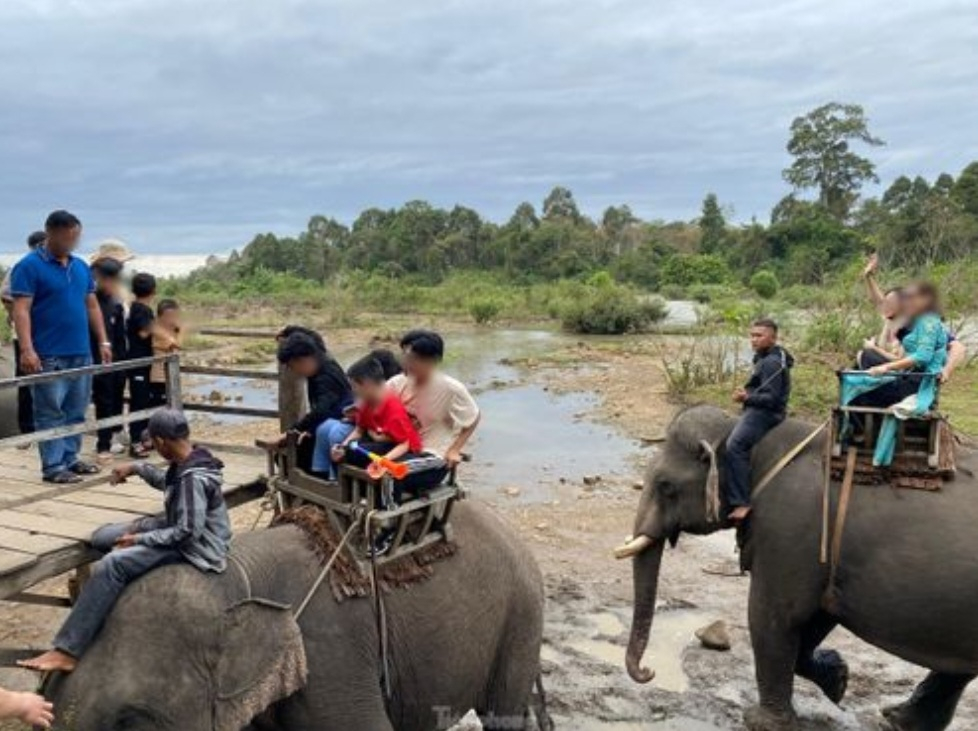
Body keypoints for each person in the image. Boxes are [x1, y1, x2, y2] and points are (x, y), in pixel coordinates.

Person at [18, 409, 231, 673]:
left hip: (195, 547)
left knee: (112, 564)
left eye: (153, 443)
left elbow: (187, 533)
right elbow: (168, 484)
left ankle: (67, 650)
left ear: (161, 442)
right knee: (103, 537)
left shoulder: (193, 479)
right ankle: (102, 600)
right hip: (174, 525)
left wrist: (141, 539)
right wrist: (137, 468)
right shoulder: (190, 459)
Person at [10, 211, 111, 483]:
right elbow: (21, 310)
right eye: (68, 237)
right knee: (50, 411)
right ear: (51, 233)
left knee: (76, 410)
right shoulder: (29, 266)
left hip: (80, 351)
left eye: (76, 237)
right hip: (48, 354)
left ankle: (70, 458)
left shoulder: (79, 267)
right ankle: (53, 466)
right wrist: (28, 350)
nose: (72, 242)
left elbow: (91, 305)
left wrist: (103, 339)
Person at [387, 330, 481, 490]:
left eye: (413, 358)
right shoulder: (398, 382)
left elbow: (474, 416)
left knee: (390, 471)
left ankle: (386, 510)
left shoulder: (451, 388)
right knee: (355, 455)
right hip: (402, 448)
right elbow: (375, 402)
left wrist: (454, 450)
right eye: (405, 356)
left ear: (434, 360)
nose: (407, 363)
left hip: (431, 455)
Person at [723, 319, 794, 523]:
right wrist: (749, 393)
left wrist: (746, 398)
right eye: (752, 335)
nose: (753, 339)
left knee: (734, 446)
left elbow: (771, 399)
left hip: (766, 412)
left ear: (773, 338)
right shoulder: (766, 357)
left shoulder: (771, 362)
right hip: (758, 406)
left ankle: (741, 502)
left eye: (759, 335)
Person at [330, 355, 423, 491]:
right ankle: (346, 491)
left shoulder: (393, 409)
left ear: (367, 384)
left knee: (353, 454)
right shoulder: (366, 403)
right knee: (342, 453)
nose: (353, 391)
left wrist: (383, 460)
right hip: (380, 443)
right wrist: (342, 446)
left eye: (354, 386)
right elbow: (359, 430)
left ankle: (359, 493)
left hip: (399, 448)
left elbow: (404, 444)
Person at [276, 332, 354, 470]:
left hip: (341, 424)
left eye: (293, 366)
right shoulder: (323, 363)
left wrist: (297, 429)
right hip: (329, 421)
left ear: (303, 360)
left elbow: (322, 410)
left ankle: (316, 485)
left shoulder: (326, 377)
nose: (296, 371)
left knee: (293, 454)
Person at [90, 243, 133, 462]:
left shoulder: (115, 302)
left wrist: (122, 362)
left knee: (115, 398)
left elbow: (118, 335)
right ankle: (102, 445)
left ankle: (112, 437)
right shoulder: (89, 302)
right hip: (96, 360)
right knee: (103, 401)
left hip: (116, 360)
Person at [1, 230, 46, 438]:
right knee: (26, 381)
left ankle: (43, 426)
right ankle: (27, 428)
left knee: (48, 379)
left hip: (47, 334)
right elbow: (6, 295)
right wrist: (19, 316)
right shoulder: (23, 266)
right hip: (25, 336)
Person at [126, 272, 157, 458]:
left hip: (143, 362)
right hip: (138, 362)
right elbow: (144, 334)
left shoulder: (138, 307)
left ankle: (144, 437)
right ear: (154, 290)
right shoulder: (141, 310)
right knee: (138, 402)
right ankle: (135, 441)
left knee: (144, 399)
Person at [149, 299, 182, 406]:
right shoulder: (158, 331)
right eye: (168, 317)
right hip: (158, 377)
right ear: (159, 317)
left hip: (171, 376)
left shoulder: (171, 331)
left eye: (174, 317)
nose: (171, 320)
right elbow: (177, 344)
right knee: (159, 407)